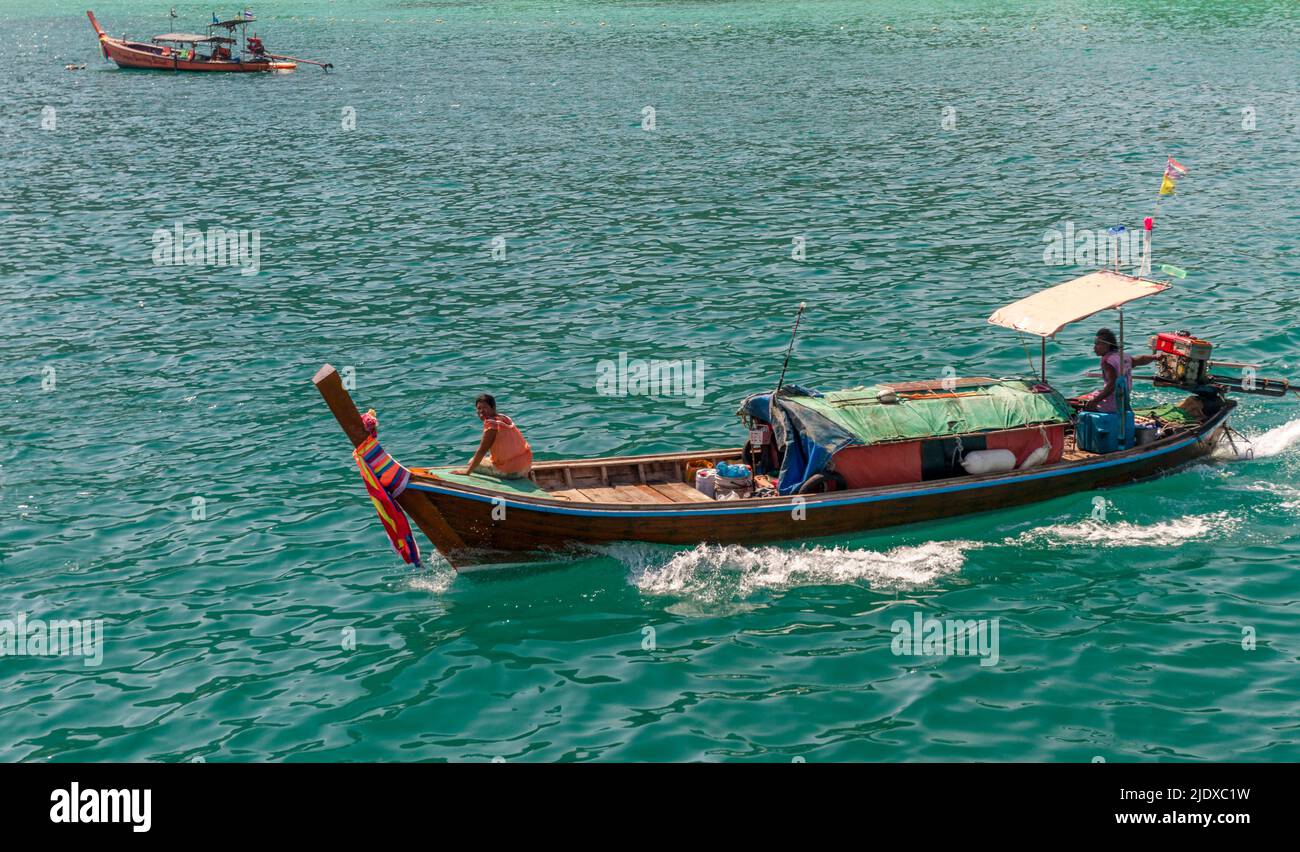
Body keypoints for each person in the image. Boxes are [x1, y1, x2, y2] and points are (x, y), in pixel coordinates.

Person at [453, 394, 533, 478]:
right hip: (526, 465)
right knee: (489, 458)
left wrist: (467, 472)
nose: (481, 411)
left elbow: (482, 450)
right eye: (479, 408)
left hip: (511, 471)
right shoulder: (504, 418)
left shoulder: (491, 424)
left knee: (472, 462)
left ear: (493, 408)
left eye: (484, 408)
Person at [1082, 327, 1157, 413]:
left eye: (1097, 344)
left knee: (1085, 407)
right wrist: (1155, 357)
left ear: (1107, 345)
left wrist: (1094, 402)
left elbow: (1112, 385)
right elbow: (1140, 360)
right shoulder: (1123, 356)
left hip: (1113, 403)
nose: (1094, 348)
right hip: (1124, 400)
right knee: (1092, 395)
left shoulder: (1106, 361)